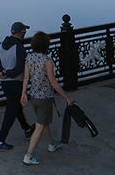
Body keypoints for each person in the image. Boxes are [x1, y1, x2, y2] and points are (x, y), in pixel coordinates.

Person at [20, 31, 74, 166]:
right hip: (45, 98)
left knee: (44, 122)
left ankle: (52, 144)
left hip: (33, 96)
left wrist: (23, 93)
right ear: (46, 45)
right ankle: (28, 156)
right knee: (40, 126)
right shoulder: (47, 60)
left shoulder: (29, 58)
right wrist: (67, 97)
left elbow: (26, 77)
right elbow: (53, 82)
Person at [0, 21, 34, 152]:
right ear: (21, 32)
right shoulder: (19, 47)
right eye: (24, 31)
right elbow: (20, 68)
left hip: (5, 83)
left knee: (16, 107)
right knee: (11, 111)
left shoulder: (1, 45)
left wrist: (1, 72)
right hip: (16, 82)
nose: (25, 33)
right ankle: (0, 140)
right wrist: (7, 73)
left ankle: (27, 129)